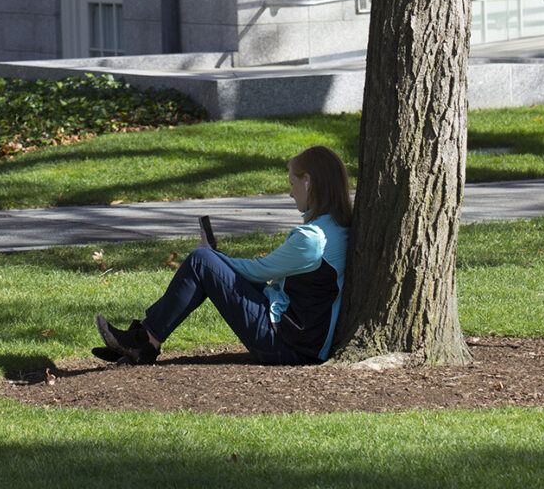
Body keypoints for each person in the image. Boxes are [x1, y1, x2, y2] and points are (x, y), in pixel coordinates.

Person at [94, 144, 352, 365]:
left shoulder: (312, 239)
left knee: (200, 261)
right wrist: (217, 262)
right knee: (206, 263)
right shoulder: (339, 228)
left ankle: (145, 342)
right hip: (303, 341)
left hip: (286, 344)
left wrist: (212, 258)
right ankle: (144, 338)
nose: (290, 192)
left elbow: (259, 271)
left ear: (308, 182)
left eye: (292, 184)